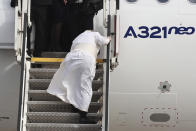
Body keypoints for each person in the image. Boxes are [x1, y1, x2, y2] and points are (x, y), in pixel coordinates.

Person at [47, 30, 110, 124]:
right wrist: (109, 38)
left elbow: (72, 48)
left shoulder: (77, 38)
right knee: (85, 87)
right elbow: (104, 41)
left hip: (71, 58)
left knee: (72, 83)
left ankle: (74, 107)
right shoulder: (94, 34)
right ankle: (83, 116)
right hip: (85, 58)